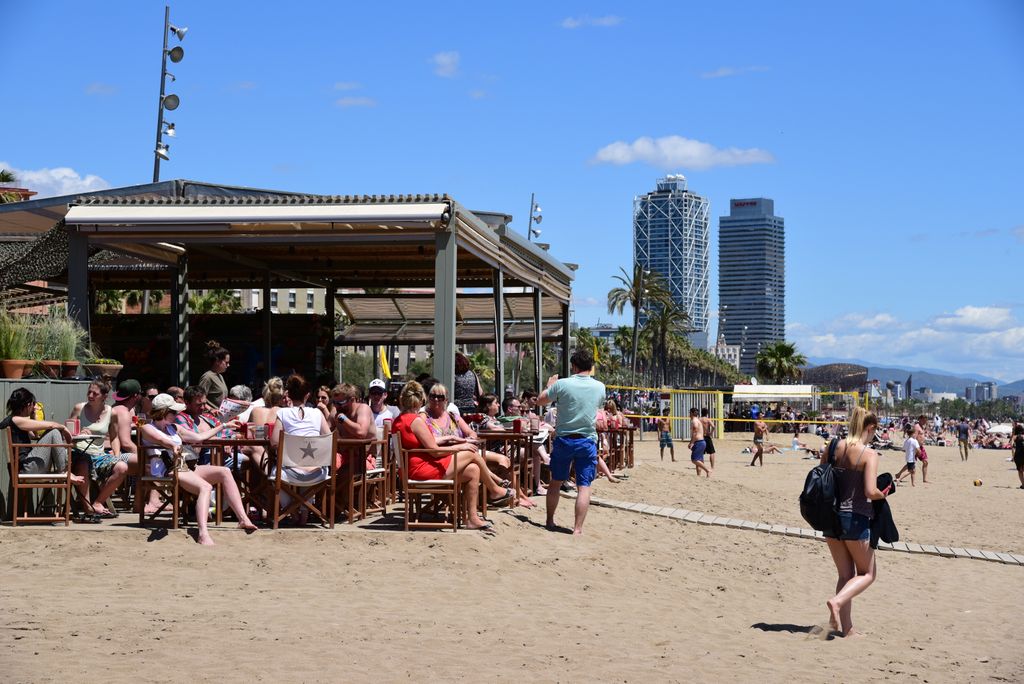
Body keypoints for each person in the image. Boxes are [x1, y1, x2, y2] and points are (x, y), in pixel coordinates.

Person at [392, 381, 512, 530]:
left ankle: (472, 519)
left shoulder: (400, 419)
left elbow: (424, 442)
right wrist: (460, 446)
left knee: (473, 470)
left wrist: (450, 439)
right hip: (421, 470)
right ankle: (494, 489)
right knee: (470, 452)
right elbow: (435, 451)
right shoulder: (416, 421)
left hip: (413, 468)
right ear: (421, 400)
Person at [140, 393, 256, 544]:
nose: (177, 414)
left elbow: (199, 437)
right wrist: (174, 445)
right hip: (168, 469)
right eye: (173, 412)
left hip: (183, 466)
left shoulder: (173, 427)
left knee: (224, 472)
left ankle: (243, 519)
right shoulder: (147, 428)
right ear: (164, 412)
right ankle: (203, 533)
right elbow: (161, 440)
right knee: (205, 487)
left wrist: (224, 426)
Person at [823, 406, 892, 637]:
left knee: (845, 575)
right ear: (870, 428)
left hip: (830, 519)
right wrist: (886, 492)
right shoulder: (869, 454)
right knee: (867, 574)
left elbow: (822, 475)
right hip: (854, 518)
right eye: (875, 431)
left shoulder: (833, 446)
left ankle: (848, 629)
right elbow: (870, 491)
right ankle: (837, 601)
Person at [424, 382, 531, 506]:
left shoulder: (452, 416)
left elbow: (472, 433)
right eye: (433, 396)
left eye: (440, 397)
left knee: (504, 459)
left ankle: (514, 494)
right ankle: (500, 487)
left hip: (463, 449)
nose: (436, 400)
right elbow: (430, 441)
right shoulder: (425, 417)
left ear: (446, 400)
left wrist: (468, 439)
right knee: (477, 459)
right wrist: (455, 440)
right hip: (447, 453)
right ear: (428, 398)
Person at [536, 349, 605, 535]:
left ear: (574, 365)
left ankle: (550, 520)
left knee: (556, 482)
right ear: (590, 366)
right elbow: (599, 409)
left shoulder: (563, 384)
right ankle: (577, 529)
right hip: (587, 440)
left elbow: (540, 401)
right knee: (584, 486)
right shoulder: (600, 386)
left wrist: (549, 385)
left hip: (565, 438)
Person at [1, 388, 85, 513]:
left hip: (24, 466)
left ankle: (64, 470)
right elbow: (51, 426)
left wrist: (34, 417)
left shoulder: (12, 421)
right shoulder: (16, 420)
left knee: (52, 432)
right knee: (54, 431)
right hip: (27, 468)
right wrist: (63, 428)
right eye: (33, 404)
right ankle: (64, 471)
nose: (34, 407)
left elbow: (35, 435)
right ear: (28, 404)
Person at [68, 381, 131, 518]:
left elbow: (114, 438)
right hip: (78, 452)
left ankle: (98, 502)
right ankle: (88, 509)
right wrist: (78, 433)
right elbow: (67, 433)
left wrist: (116, 454)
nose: (90, 395)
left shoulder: (111, 412)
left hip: (99, 454)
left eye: (95, 393)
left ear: (104, 396)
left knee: (122, 467)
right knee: (83, 462)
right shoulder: (79, 408)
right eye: (89, 392)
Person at [198, 340, 231, 411]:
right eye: (226, 362)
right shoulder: (207, 377)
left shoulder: (220, 376)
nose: (228, 365)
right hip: (210, 417)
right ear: (217, 361)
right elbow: (199, 398)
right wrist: (210, 409)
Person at [687, 407, 712, 478]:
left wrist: (691, 443)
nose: (689, 414)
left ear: (691, 413)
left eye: (690, 413)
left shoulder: (694, 421)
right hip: (701, 441)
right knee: (699, 460)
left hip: (699, 442)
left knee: (694, 459)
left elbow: (695, 432)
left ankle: (708, 470)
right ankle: (699, 476)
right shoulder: (697, 420)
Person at [912, 415, 930, 483]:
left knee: (925, 462)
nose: (925, 422)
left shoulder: (922, 426)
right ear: (920, 419)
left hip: (921, 447)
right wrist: (916, 448)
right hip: (916, 447)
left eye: (925, 420)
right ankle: (899, 475)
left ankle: (924, 479)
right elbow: (914, 437)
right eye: (923, 420)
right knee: (911, 464)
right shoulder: (916, 426)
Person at [1012, 421, 1024, 490]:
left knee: (1020, 470)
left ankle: (1023, 484)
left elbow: (1013, 447)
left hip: (1018, 455)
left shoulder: (1015, 437)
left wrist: (1013, 456)